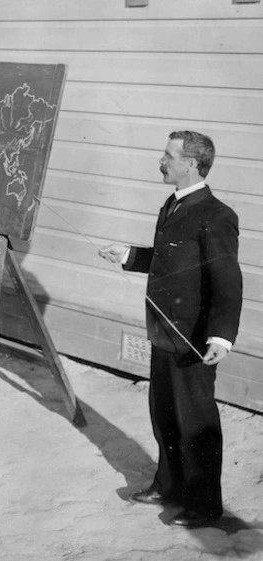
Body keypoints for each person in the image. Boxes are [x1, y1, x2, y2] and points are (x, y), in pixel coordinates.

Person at [99, 130, 243, 529]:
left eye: (168, 156)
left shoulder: (217, 215)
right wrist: (129, 255)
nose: (160, 161)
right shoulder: (173, 204)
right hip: (164, 331)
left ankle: (203, 505)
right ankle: (169, 485)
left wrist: (221, 335)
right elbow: (172, 262)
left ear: (191, 164)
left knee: (195, 420)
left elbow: (226, 280)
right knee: (164, 413)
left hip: (194, 339)